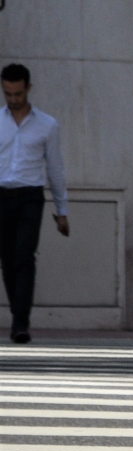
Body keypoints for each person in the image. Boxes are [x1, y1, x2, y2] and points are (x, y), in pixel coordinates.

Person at [1, 63, 70, 345]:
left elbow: (55, 168)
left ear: (28, 89)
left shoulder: (47, 125)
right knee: (7, 259)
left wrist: (62, 210)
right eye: (8, 94)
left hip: (31, 195)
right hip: (2, 195)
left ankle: (20, 323)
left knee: (24, 256)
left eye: (18, 93)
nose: (14, 99)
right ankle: (18, 316)